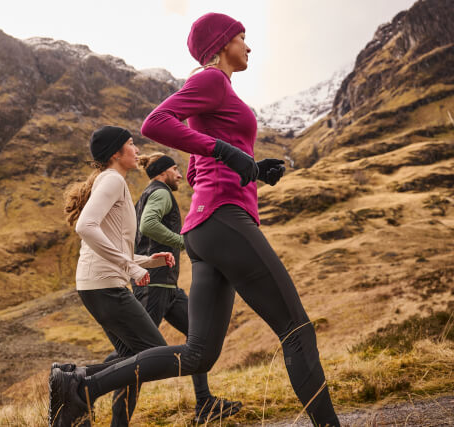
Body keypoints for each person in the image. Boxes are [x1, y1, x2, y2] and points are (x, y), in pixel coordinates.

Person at [50, 13, 341, 427]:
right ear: (222, 44)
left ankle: (81, 387)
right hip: (224, 219)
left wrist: (255, 169)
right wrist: (226, 152)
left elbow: (195, 171)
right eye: (243, 38)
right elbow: (156, 123)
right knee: (296, 330)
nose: (249, 46)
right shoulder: (211, 80)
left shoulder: (214, 92)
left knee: (199, 354)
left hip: (205, 228)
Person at [55, 125, 175, 427]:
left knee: (132, 357)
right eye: (132, 144)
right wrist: (131, 267)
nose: (137, 150)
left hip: (98, 284)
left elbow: (112, 244)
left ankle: (89, 395)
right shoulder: (111, 180)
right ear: (116, 153)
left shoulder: (113, 181)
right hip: (105, 286)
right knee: (155, 354)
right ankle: (78, 384)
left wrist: (146, 261)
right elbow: (86, 226)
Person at [132, 152, 242, 423]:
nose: (180, 175)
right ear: (162, 173)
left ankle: (204, 403)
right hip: (154, 286)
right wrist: (184, 243)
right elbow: (148, 225)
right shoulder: (160, 193)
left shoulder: (150, 193)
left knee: (198, 339)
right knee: (132, 349)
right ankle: (82, 382)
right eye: (175, 169)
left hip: (167, 288)